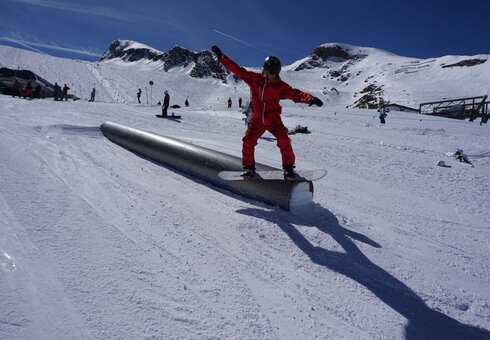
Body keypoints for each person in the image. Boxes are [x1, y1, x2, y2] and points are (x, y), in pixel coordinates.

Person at [211, 45, 323, 179]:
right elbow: (237, 70)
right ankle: (249, 168)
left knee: (284, 140)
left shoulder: (279, 86)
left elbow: (295, 94)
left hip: (273, 120)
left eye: (272, 72)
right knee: (248, 141)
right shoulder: (254, 79)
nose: (269, 74)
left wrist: (310, 99)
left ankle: (288, 168)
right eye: (268, 71)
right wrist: (221, 58)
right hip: (257, 120)